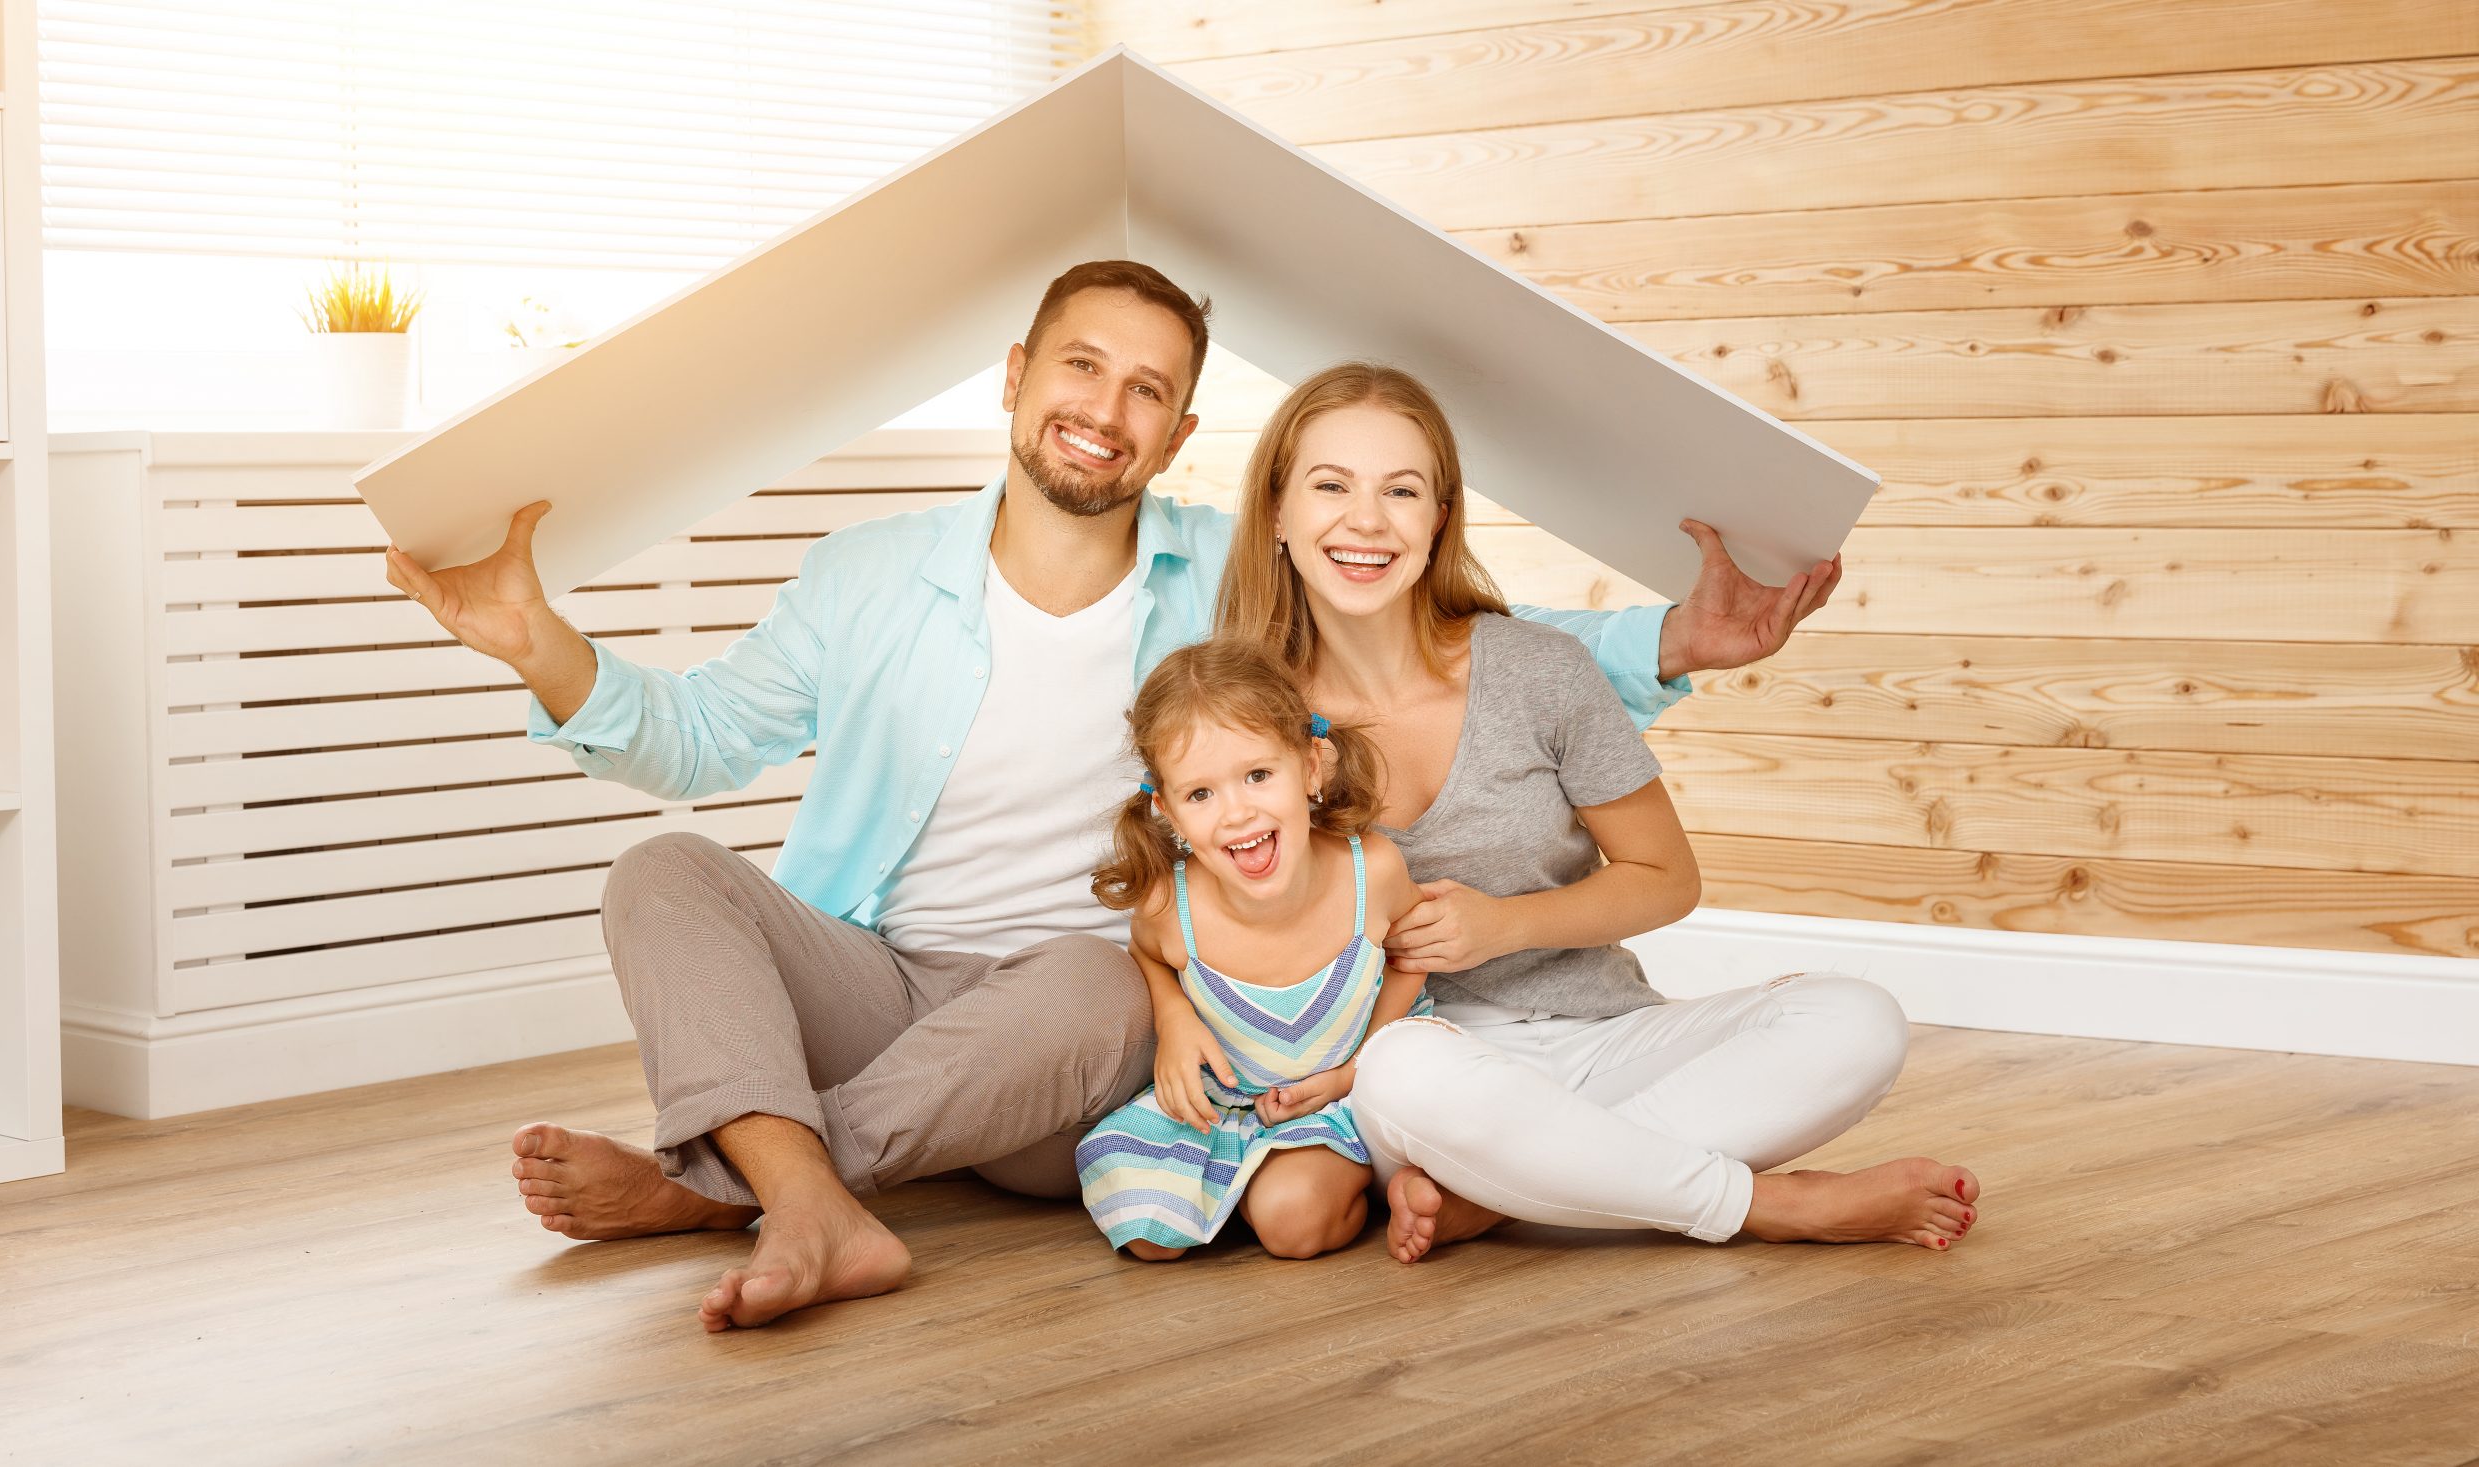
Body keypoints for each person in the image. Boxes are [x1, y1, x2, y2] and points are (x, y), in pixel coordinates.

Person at [382, 261, 1840, 1331]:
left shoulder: (1228, 574)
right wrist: (540, 644)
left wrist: (1667, 645)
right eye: (1082, 368)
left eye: (1149, 389)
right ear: (1017, 376)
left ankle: (726, 1180)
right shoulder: (868, 574)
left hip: (1086, 1018)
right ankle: (808, 1191)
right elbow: (695, 738)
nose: (1106, 408)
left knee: (1089, 977)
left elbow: (1432, 638)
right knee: (662, 872)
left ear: (1180, 434)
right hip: (883, 975)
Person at [1214, 361, 1979, 1264]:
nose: (1367, 520)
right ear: (1276, 513)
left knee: (1860, 1018)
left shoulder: (1541, 669)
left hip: (1605, 1034)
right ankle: (1766, 1205)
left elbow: (1668, 879)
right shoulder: (1242, 718)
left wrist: (1503, 925)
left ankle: (1506, 1194)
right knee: (1404, 1069)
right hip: (1420, 1070)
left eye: (1403, 490)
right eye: (1331, 485)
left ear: (1440, 521)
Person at [1076, 640, 1426, 1261]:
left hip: (1346, 1095)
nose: (1236, 812)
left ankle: (1362, 1183)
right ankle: (1246, 1187)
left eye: (1258, 776)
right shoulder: (1170, 907)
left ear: (1312, 767)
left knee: (1293, 1225)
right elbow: (1147, 953)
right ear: (1169, 814)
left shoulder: (1371, 871)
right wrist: (1175, 1017)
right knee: (1147, 1236)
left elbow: (1411, 958)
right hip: (1232, 1106)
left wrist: (1354, 1071)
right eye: (1200, 795)